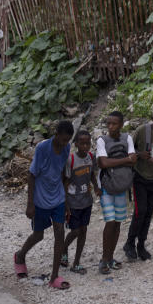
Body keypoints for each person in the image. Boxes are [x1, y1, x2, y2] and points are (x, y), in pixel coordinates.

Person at [13, 120, 74, 290]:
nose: (64, 144)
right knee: (38, 235)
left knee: (59, 233)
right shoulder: (42, 148)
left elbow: (62, 171)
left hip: (58, 197)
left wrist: (66, 200)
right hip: (40, 199)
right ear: (56, 135)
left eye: (67, 141)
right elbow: (31, 175)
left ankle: (54, 276)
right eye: (62, 140)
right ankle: (20, 255)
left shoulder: (66, 148)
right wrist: (30, 204)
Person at [123, 105, 153, 261]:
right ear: (152, 119)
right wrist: (139, 154)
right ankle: (129, 243)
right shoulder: (142, 131)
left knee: (149, 212)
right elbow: (128, 151)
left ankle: (141, 245)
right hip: (140, 176)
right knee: (140, 211)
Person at [96, 111, 136, 275]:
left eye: (114, 124)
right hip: (107, 187)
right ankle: (104, 259)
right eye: (108, 123)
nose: (110, 127)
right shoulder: (101, 140)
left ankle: (110, 258)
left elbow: (133, 158)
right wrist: (125, 160)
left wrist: (115, 162)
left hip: (121, 187)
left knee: (118, 222)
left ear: (121, 124)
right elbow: (103, 163)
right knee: (110, 222)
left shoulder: (127, 138)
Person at [60, 130, 100, 274]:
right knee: (75, 230)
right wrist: (65, 205)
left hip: (86, 201)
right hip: (73, 202)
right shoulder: (70, 160)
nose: (85, 146)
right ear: (76, 144)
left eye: (88, 143)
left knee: (83, 230)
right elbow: (65, 183)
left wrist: (96, 187)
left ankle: (76, 262)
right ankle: (63, 248)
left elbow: (92, 175)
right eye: (82, 143)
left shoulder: (91, 157)